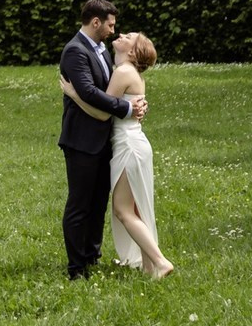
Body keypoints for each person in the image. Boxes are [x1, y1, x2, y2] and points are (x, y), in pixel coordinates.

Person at [60, 30, 175, 280]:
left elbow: (102, 113)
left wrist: (73, 94)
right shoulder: (127, 72)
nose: (120, 34)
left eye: (128, 36)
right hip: (134, 144)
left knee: (123, 210)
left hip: (128, 146)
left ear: (132, 51)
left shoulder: (123, 72)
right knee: (136, 208)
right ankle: (147, 265)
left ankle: (160, 261)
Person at [57, 0, 147, 281]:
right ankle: (76, 268)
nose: (113, 31)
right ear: (95, 22)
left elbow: (115, 87)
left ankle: (91, 256)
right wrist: (128, 108)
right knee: (80, 203)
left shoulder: (102, 50)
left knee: (98, 203)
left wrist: (134, 101)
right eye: (110, 25)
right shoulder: (75, 51)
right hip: (82, 140)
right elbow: (89, 93)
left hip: (104, 139)